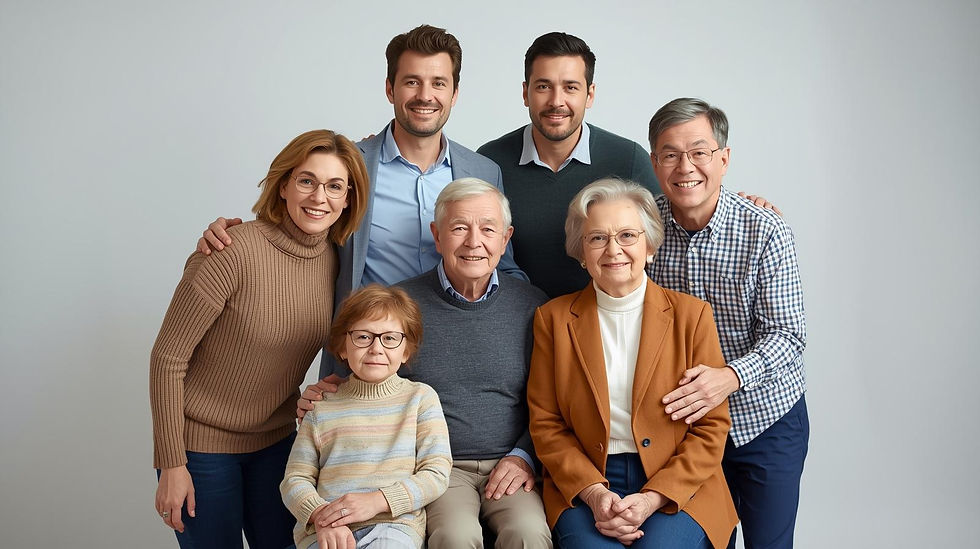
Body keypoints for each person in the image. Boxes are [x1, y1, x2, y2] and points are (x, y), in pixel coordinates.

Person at [300, 178, 552, 548]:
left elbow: (552, 401)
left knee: (529, 533)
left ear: (505, 239)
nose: (473, 242)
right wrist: (326, 393)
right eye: (459, 228)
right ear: (437, 236)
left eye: (487, 229)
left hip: (512, 463)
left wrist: (523, 456)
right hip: (433, 467)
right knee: (455, 536)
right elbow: (360, 371)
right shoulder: (401, 304)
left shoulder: (533, 305)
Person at [149, 129, 370, 548]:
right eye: (307, 180)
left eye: (334, 186)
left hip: (277, 444)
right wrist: (172, 463)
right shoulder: (231, 250)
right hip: (201, 449)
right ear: (283, 185)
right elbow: (167, 359)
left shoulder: (337, 262)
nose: (319, 197)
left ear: (348, 199)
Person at [527, 178, 737, 549]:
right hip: (586, 480)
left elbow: (711, 427)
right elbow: (546, 424)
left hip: (679, 482)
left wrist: (653, 497)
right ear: (581, 252)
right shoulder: (553, 319)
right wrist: (594, 493)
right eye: (597, 238)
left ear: (649, 246)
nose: (613, 250)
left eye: (627, 235)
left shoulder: (692, 317)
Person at [647, 98, 808, 549]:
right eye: (671, 154)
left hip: (765, 418)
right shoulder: (644, 229)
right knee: (701, 542)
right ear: (654, 162)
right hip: (685, 426)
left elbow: (788, 335)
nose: (685, 167)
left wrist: (729, 377)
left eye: (699, 152)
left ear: (724, 158)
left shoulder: (765, 229)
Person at [478, 32, 659, 298]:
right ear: (525, 93)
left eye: (570, 87)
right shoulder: (490, 162)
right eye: (543, 87)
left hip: (606, 314)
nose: (556, 101)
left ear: (590, 95)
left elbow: (661, 240)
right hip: (514, 314)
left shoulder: (628, 159)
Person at [281, 284, 452, 549]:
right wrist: (322, 517)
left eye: (390, 338)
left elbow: (436, 473)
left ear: (406, 350)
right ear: (342, 347)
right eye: (363, 337)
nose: (376, 348)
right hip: (327, 529)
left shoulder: (420, 399)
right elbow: (295, 479)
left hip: (393, 526)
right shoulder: (321, 406)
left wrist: (378, 500)